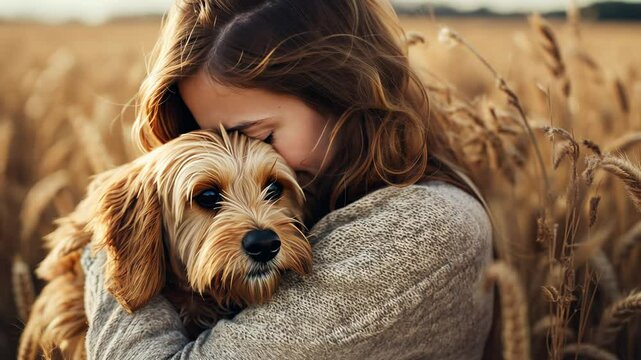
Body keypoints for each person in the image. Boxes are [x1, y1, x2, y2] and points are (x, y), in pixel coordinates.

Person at [80, 0, 495, 358]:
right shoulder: (336, 192)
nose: (241, 155)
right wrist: (132, 213)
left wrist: (105, 245)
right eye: (210, 139)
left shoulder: (422, 229)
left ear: (339, 90)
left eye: (260, 137)